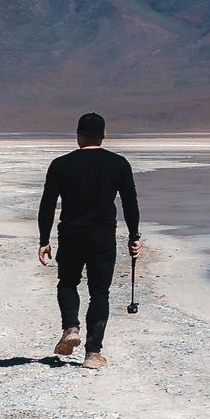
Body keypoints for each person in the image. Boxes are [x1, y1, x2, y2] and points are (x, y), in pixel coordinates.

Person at [37, 112, 141, 369]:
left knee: (68, 283)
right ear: (104, 134)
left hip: (71, 235)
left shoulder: (60, 164)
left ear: (78, 135)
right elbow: (130, 203)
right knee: (99, 293)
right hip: (102, 238)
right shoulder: (118, 164)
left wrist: (43, 240)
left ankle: (71, 327)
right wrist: (134, 236)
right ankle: (93, 353)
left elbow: (47, 205)